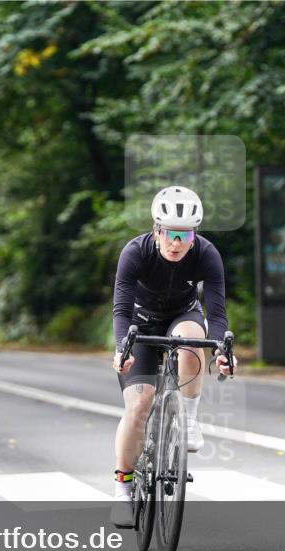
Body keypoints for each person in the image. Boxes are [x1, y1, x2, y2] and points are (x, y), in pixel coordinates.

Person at [109, 186, 237, 528]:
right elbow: (121, 309)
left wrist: (222, 351)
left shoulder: (207, 254)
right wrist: (122, 348)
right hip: (140, 324)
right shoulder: (135, 253)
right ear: (157, 230)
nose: (176, 243)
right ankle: (122, 489)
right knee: (138, 406)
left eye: (185, 234)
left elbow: (218, 312)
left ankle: (189, 419)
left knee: (194, 338)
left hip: (183, 317)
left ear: (194, 235)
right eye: (170, 233)